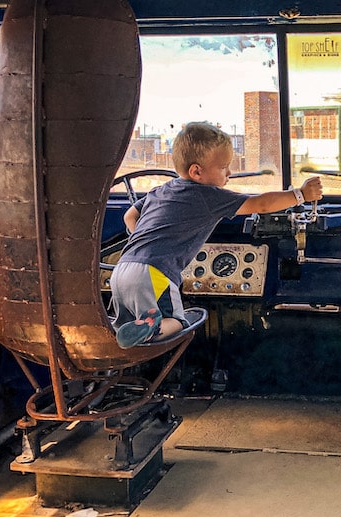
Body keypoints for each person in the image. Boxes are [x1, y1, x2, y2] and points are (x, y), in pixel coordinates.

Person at [110, 121, 322, 348]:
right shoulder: (208, 196)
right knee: (178, 322)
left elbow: (129, 216)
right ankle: (154, 327)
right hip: (155, 274)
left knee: (124, 326)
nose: (229, 173)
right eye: (223, 168)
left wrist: (143, 240)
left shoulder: (162, 190)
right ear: (196, 171)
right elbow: (260, 204)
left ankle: (140, 326)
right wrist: (300, 194)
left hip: (121, 270)